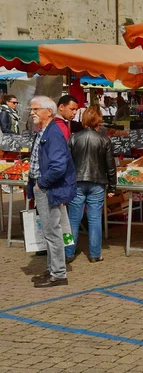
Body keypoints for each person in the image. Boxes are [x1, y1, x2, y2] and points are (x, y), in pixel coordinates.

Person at [27, 96, 77, 288]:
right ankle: (53, 270)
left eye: (36, 109)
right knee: (49, 231)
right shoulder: (44, 130)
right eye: (31, 109)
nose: (32, 113)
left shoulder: (53, 133)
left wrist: (41, 183)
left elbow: (58, 166)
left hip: (49, 189)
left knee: (52, 231)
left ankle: (58, 274)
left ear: (49, 111)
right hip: (45, 188)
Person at [66, 105, 117, 263]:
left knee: (72, 220)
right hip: (97, 182)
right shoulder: (104, 139)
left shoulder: (73, 138)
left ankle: (67, 253)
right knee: (95, 219)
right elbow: (110, 166)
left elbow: (66, 163)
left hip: (76, 182)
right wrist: (113, 186)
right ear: (98, 121)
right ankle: (95, 254)